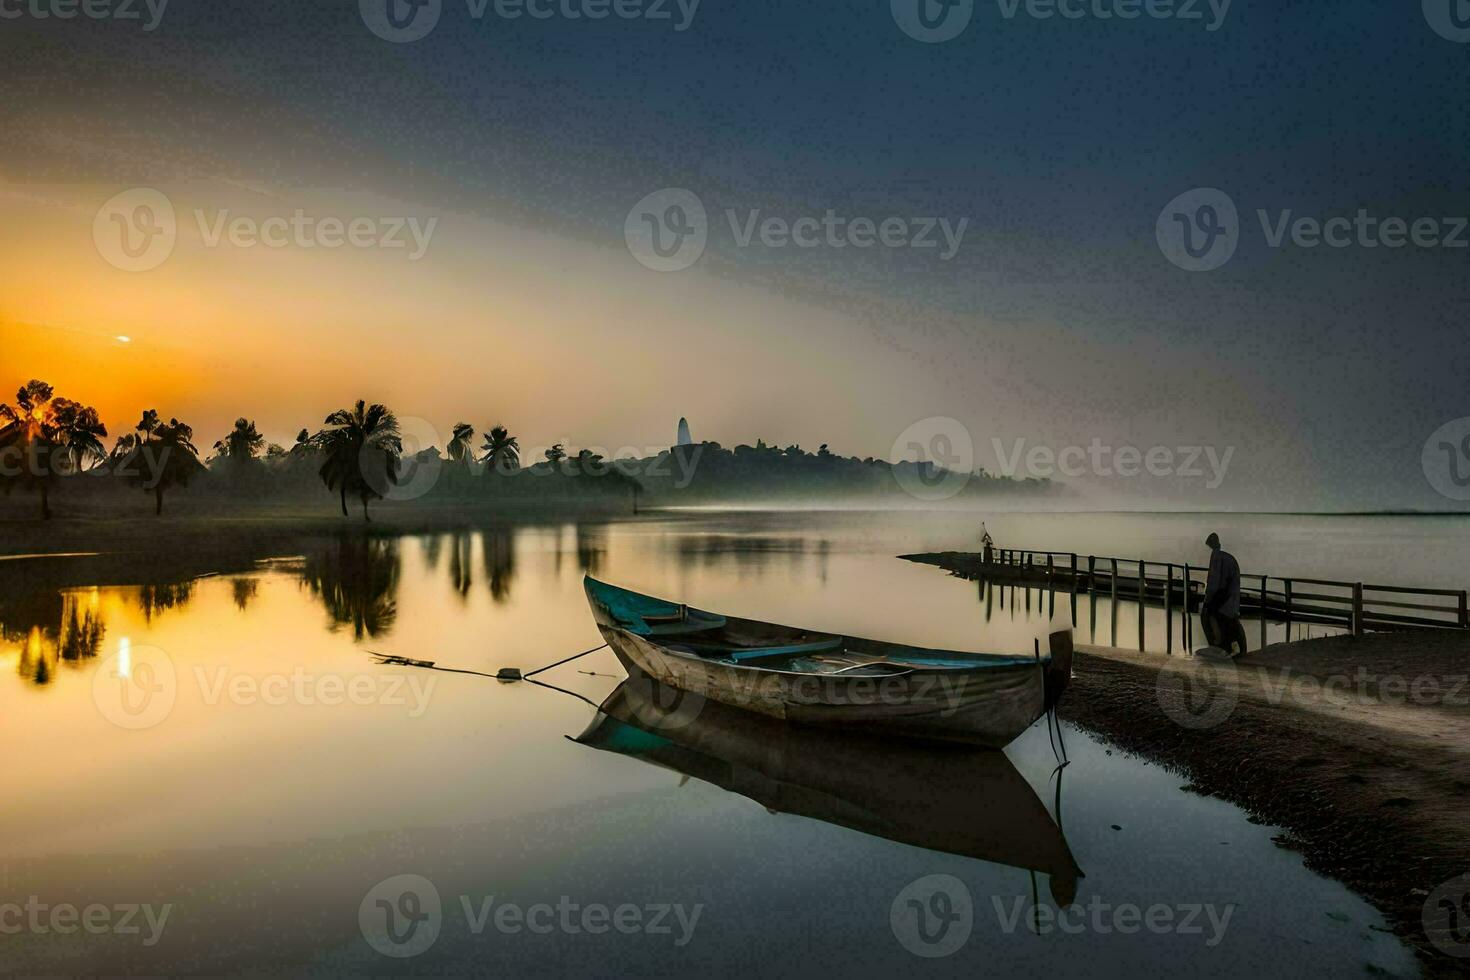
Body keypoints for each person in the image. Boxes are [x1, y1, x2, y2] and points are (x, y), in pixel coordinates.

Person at [1202, 532, 1247, 656]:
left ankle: (1222, 644)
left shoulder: (1220, 558)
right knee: (1214, 614)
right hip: (1226, 593)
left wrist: (1211, 598)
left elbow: (1217, 582)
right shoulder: (1222, 557)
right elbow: (1216, 581)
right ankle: (1221, 644)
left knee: (1215, 615)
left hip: (1226, 593)